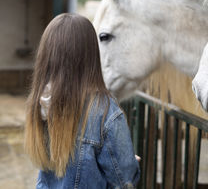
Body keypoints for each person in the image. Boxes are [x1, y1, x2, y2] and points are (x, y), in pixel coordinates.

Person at [24, 13, 140, 188]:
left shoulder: (39, 102)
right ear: (90, 54)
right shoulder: (105, 111)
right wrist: (132, 163)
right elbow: (124, 178)